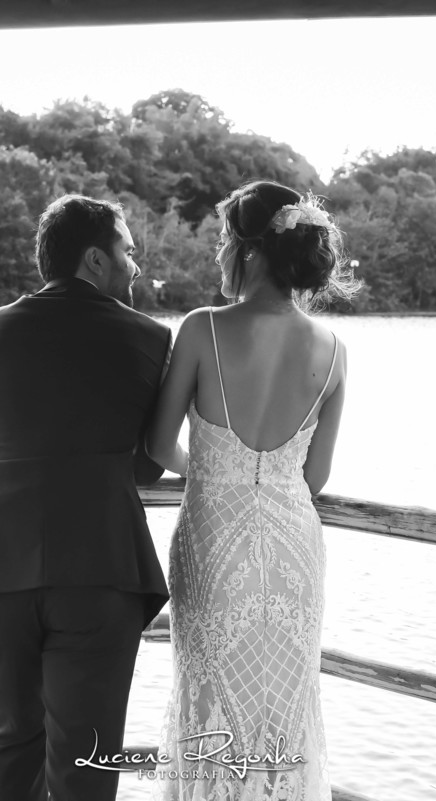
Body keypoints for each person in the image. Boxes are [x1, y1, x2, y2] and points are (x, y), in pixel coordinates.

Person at [0, 194, 173, 801]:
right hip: (97, 565)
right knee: (86, 757)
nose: (135, 267)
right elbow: (146, 465)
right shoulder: (148, 337)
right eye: (128, 251)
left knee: (14, 736)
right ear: (95, 259)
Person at [146, 181, 359, 800]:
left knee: (209, 699)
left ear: (248, 250)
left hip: (215, 539)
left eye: (222, 241)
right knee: (284, 704)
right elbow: (313, 478)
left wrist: (212, 471)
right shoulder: (334, 349)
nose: (218, 254)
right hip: (294, 546)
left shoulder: (201, 329)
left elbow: (161, 447)